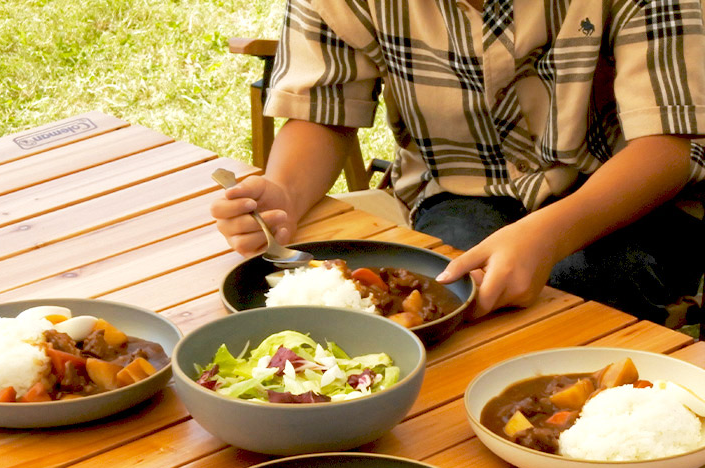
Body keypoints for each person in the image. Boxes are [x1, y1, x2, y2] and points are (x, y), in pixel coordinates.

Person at [210, 0, 705, 324]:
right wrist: (284, 195)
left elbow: (666, 149)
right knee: (447, 300)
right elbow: (323, 114)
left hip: (632, 192)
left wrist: (547, 235)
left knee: (586, 288)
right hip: (459, 188)